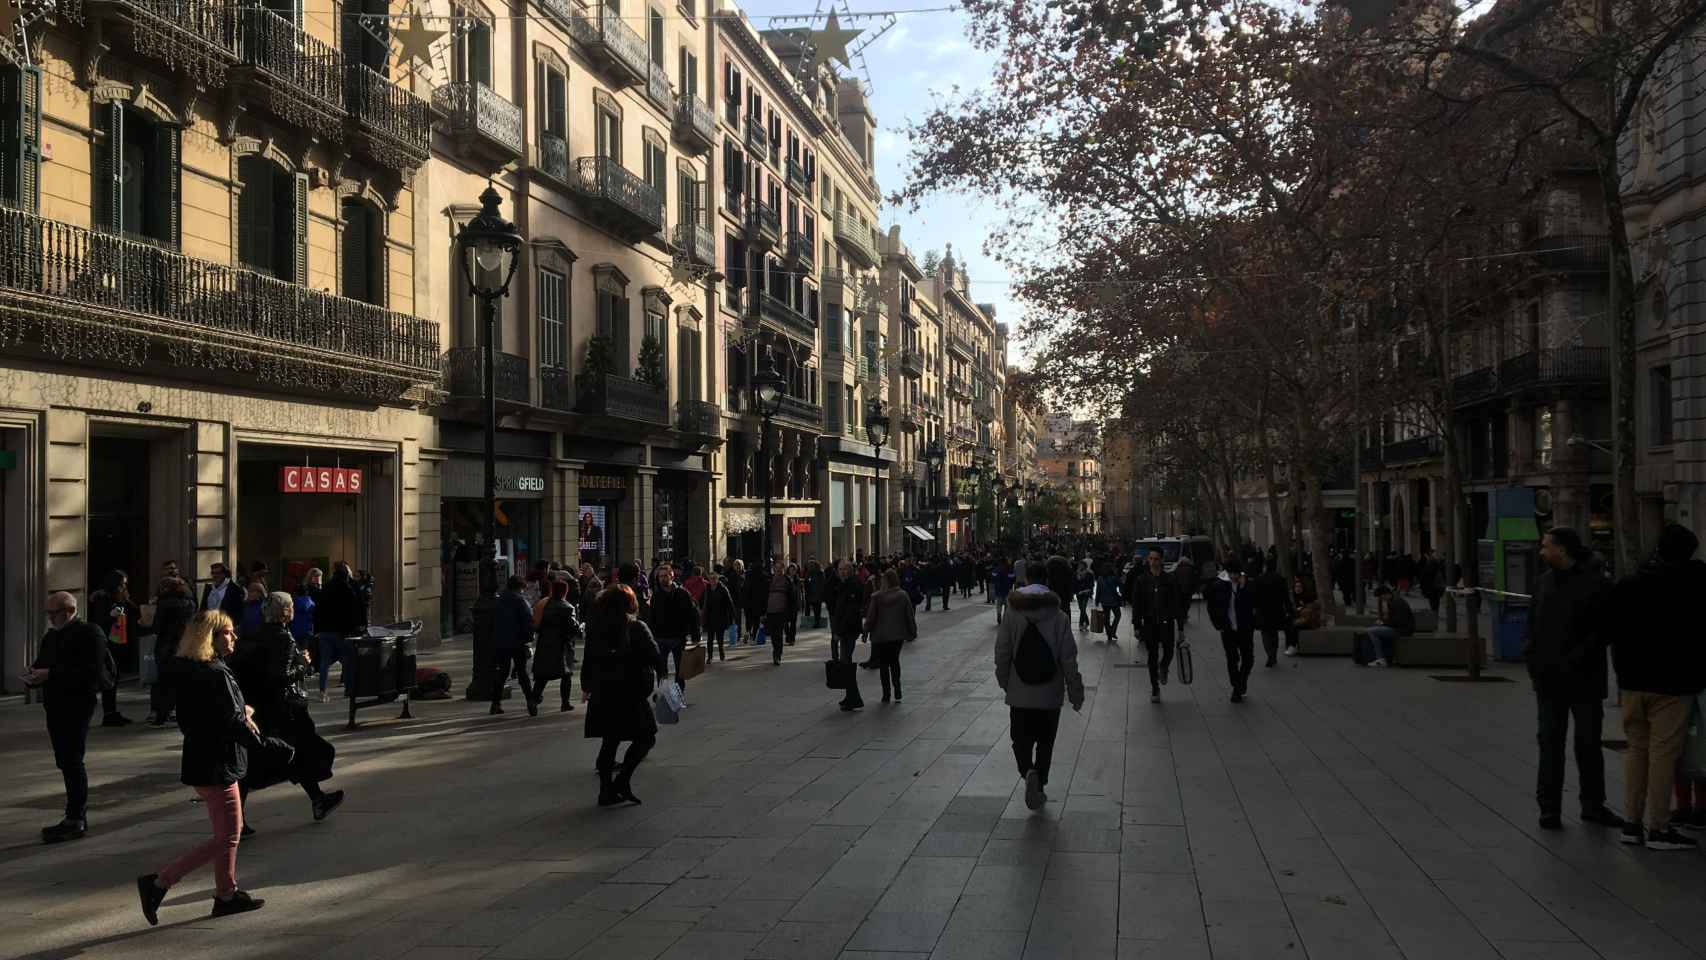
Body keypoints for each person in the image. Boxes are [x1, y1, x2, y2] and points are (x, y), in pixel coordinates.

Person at [136, 610, 287, 924]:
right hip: (218, 762)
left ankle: (226, 895)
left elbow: (204, 717)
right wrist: (269, 746)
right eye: (228, 632)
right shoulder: (215, 673)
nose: (234, 637)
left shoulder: (193, 670)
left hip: (203, 758)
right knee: (227, 836)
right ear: (211, 637)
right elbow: (230, 723)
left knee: (229, 833)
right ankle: (160, 882)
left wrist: (241, 710)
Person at [1607, 523, 1706, 850]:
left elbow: (1613, 630)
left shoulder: (1629, 584)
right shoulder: (1692, 584)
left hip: (1633, 682)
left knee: (1637, 750)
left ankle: (1631, 824)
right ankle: (1659, 828)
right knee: (1664, 754)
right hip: (1673, 685)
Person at [1525, 527, 1623, 831]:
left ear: (1562, 550)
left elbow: (1605, 630)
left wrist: (1575, 658)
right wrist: (1532, 659)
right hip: (1549, 680)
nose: (1541, 552)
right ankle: (1549, 808)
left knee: (1588, 743)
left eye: (1546, 547)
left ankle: (1593, 805)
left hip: (1584, 678)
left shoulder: (1597, 584)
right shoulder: (1543, 583)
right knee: (1550, 742)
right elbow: (1533, 626)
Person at [232, 592, 343, 832]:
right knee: (290, 755)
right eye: (291, 606)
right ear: (286, 611)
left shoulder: (253, 633)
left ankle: (317, 799)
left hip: (259, 705)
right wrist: (303, 666)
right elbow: (279, 677)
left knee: (277, 758)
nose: (293, 609)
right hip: (284, 710)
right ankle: (317, 800)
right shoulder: (283, 638)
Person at [994, 574, 1084, 812]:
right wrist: (1075, 691)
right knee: (1045, 742)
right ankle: (1040, 785)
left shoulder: (1012, 615)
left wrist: (1005, 681)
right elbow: (1068, 657)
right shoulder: (1060, 617)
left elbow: (1002, 651)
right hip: (1049, 694)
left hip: (1020, 693)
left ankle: (1028, 771)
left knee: (1020, 739)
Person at [26, 592, 107, 843]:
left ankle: (76, 818)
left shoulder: (90, 633)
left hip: (77, 705)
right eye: (48, 613)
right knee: (64, 760)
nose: (50, 618)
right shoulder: (52, 636)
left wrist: (50, 673)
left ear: (70, 610)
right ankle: (72, 816)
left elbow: (90, 671)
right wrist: (33, 676)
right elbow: (43, 663)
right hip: (55, 705)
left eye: (54, 613)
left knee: (73, 761)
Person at [582, 585, 666, 806]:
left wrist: (586, 685)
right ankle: (622, 780)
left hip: (603, 691)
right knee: (646, 737)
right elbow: (655, 656)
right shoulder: (636, 626)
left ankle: (606, 790)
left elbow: (588, 659)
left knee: (610, 740)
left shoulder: (595, 627)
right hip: (630, 692)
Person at [87, 570, 139, 727]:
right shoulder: (102, 598)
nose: (123, 586)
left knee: (114, 678)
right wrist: (111, 614)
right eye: (121, 583)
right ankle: (108, 713)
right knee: (107, 678)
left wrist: (127, 599)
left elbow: (134, 612)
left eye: (125, 584)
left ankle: (111, 712)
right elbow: (98, 621)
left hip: (119, 641)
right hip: (107, 643)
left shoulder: (121, 597)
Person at [1132, 551, 1183, 703]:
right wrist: (1136, 625)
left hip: (1166, 623)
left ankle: (1164, 667)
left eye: (1156, 559)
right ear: (1148, 560)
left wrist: (1180, 628)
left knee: (1169, 651)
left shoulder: (1170, 579)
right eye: (1151, 559)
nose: (1153, 562)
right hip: (1149, 624)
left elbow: (1177, 604)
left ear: (1161, 561)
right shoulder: (1142, 580)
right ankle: (1155, 688)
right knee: (1152, 656)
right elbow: (1137, 604)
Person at [148, 577, 197, 726]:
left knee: (163, 682)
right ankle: (182, 713)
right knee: (182, 681)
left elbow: (157, 626)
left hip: (166, 646)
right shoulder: (190, 603)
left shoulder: (165, 604)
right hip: (183, 646)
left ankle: (161, 714)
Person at [646, 565, 701, 698]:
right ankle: (664, 694)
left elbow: (693, 614)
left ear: (672, 576)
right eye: (661, 576)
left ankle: (678, 694)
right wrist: (650, 636)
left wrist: (695, 635)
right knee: (661, 669)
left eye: (666, 575)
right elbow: (651, 618)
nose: (663, 579)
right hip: (660, 638)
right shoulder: (655, 596)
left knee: (680, 670)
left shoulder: (683, 593)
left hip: (678, 637)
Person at [1206, 560, 1255, 703]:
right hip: (1227, 629)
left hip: (1245, 628)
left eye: (1236, 574)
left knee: (1248, 659)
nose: (1234, 576)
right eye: (1231, 573)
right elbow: (1212, 606)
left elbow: (1253, 602)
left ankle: (1241, 681)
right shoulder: (1219, 586)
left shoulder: (1247, 585)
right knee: (1232, 659)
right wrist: (1218, 624)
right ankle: (1237, 688)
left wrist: (1244, 587)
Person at [865, 569, 916, 703]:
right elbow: (909, 615)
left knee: (883, 665)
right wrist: (912, 631)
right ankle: (897, 689)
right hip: (897, 636)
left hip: (880, 636)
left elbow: (870, 618)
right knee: (894, 661)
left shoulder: (876, 597)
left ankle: (886, 694)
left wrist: (866, 631)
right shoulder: (903, 595)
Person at [313, 563, 362, 703]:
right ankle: (348, 688)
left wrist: (317, 629)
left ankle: (322, 691)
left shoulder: (326, 587)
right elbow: (353, 612)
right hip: (342, 632)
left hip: (325, 631)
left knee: (324, 662)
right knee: (346, 661)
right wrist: (354, 628)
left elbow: (319, 610)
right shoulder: (347, 589)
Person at [531, 579, 581, 712]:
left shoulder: (544, 604)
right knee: (566, 675)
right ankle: (565, 703)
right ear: (565, 591)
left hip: (545, 644)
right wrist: (580, 628)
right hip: (562, 646)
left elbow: (536, 624)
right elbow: (573, 628)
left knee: (542, 676)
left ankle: (533, 700)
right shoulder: (567, 608)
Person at [492, 575, 536, 716]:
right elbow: (528, 621)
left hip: (501, 642)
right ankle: (530, 701)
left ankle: (495, 703)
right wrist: (528, 638)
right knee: (522, 673)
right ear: (519, 587)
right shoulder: (520, 601)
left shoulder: (498, 600)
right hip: (518, 642)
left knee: (502, 672)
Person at [828, 559, 867, 711]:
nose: (842, 572)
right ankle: (851, 696)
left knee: (846, 664)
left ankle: (854, 698)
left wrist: (839, 631)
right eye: (840, 569)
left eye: (845, 569)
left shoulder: (853, 585)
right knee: (846, 663)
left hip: (848, 630)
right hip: (846, 629)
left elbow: (850, 612)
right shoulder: (844, 585)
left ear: (850, 570)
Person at [1252, 564, 1292, 668]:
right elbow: (1285, 596)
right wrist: (1288, 609)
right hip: (1276, 610)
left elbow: (1254, 596)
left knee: (1265, 633)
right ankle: (1273, 654)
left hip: (1263, 611)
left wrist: (1254, 609)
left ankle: (1270, 654)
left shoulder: (1258, 579)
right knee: (1274, 633)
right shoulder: (1280, 579)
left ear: (1265, 568)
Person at [1363, 585, 1414, 667]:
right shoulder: (1394, 600)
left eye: (1381, 597)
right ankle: (1385, 656)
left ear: (1385, 594)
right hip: (1401, 628)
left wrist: (1383, 623)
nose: (1382, 599)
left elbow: (1397, 621)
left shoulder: (1396, 602)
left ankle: (1381, 658)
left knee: (1371, 631)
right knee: (1375, 628)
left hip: (1402, 630)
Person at [701, 571, 736, 662]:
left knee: (720, 638)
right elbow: (703, 602)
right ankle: (710, 657)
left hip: (720, 616)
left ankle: (721, 652)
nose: (712, 580)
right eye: (710, 579)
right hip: (710, 617)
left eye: (714, 578)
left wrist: (733, 616)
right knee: (710, 639)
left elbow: (730, 602)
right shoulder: (707, 589)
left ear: (717, 579)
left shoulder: (723, 589)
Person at [1283, 575, 1320, 657]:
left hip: (1307, 621)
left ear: (1303, 588)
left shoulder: (1308, 597)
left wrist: (1302, 608)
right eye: (1296, 586)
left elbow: (1312, 609)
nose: (1298, 588)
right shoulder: (1292, 597)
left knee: (1295, 626)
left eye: (1300, 586)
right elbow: (1289, 609)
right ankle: (1290, 645)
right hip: (1297, 618)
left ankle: (1292, 646)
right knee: (1287, 624)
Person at [1094, 560, 1123, 642]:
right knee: (1118, 615)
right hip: (1113, 601)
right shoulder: (1114, 577)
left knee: (1106, 618)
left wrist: (1097, 600)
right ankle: (1112, 631)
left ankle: (1109, 634)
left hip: (1104, 601)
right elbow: (1121, 585)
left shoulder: (1100, 578)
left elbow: (1098, 591)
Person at [990, 559, 1014, 624]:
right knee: (1007, 605)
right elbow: (1012, 577)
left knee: (999, 605)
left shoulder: (996, 569)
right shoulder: (1009, 569)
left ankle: (999, 615)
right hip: (1006, 589)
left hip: (998, 589)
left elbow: (992, 577)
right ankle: (1005, 617)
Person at [805, 559, 827, 629]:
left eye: (812, 565)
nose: (811, 566)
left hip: (816, 593)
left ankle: (817, 622)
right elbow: (807, 582)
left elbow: (822, 583)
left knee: (817, 609)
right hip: (813, 593)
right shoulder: (810, 572)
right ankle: (816, 621)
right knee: (816, 609)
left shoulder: (819, 572)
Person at [1073, 560, 1094, 630]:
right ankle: (1087, 622)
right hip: (1078, 593)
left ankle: (1081, 624)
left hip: (1086, 593)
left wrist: (1088, 591)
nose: (1080, 566)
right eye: (1079, 565)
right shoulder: (1076, 573)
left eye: (1082, 565)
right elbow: (1074, 583)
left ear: (1085, 566)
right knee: (1081, 608)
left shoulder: (1089, 574)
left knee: (1083, 608)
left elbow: (1091, 584)